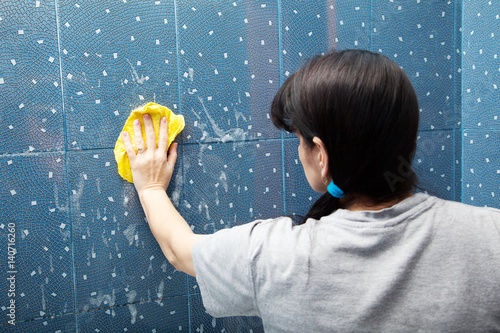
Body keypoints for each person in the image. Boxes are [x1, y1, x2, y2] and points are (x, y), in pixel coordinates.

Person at [121, 49, 500, 332]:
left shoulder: (273, 255)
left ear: (320, 154)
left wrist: (151, 185)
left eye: (300, 140)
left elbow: (180, 250)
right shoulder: (491, 235)